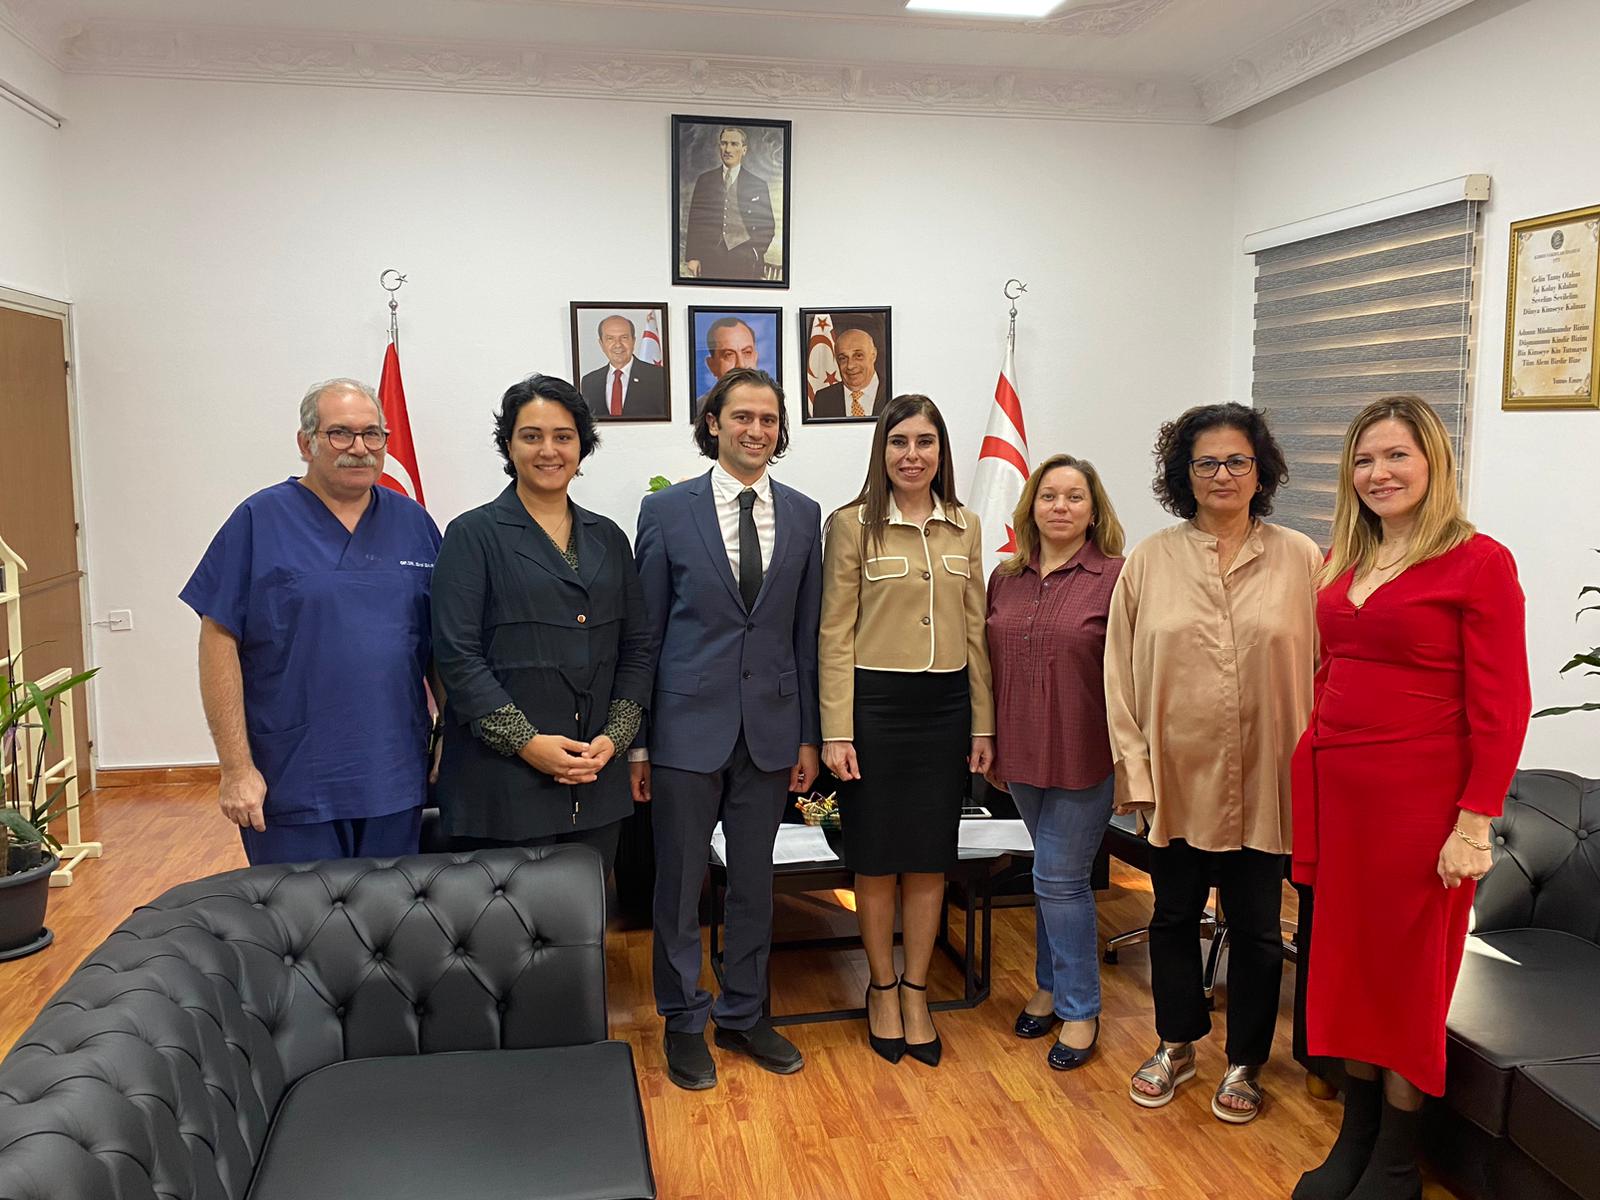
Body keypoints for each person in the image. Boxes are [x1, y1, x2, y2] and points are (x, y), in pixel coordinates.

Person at [1291, 396, 1530, 1200]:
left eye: (1397, 456)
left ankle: (1396, 1161)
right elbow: (1332, 672)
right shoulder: (1346, 557)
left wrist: (1474, 824)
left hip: (1422, 812)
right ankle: (1356, 1137)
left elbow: (1504, 706)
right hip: (1343, 802)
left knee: (1405, 983)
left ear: (1434, 462)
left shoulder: (1478, 562)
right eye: (1364, 460)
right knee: (1347, 973)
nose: (1378, 473)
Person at [1105, 402, 1319, 1123]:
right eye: (1206, 462)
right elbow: (1118, 676)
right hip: (1177, 779)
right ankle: (1176, 1044)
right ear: (1184, 474)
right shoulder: (1149, 561)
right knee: (1172, 917)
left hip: (1269, 778)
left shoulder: (1301, 559)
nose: (1222, 474)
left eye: (1237, 461)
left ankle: (1245, 1061)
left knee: (1258, 927)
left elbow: (1327, 671)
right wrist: (1135, 772)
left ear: (1261, 472)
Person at [633, 366, 822, 1091]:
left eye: (768, 419)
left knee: (754, 884)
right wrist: (639, 740)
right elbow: (646, 635)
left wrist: (807, 735)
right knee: (680, 885)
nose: (756, 430)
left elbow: (806, 636)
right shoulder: (667, 511)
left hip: (770, 731)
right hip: (685, 729)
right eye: (742, 416)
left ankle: (743, 1014)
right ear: (713, 423)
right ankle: (684, 1021)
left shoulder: (803, 514)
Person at [181, 377, 441, 865]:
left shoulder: (414, 524)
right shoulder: (259, 520)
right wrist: (235, 769)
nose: (359, 448)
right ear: (306, 443)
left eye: (372, 434)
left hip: (393, 770)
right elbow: (218, 641)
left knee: (390, 907)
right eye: (340, 433)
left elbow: (440, 643)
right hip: (294, 776)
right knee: (301, 911)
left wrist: (446, 732)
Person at [820, 394, 994, 1068]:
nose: (912, 455)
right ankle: (882, 988)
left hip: (945, 709)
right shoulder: (852, 525)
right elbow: (834, 634)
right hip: (874, 708)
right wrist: (837, 730)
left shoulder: (965, 525)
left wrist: (984, 724)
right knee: (875, 857)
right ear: (883, 450)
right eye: (899, 442)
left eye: (925, 442)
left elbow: (976, 632)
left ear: (941, 452)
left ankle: (917, 990)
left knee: (929, 855)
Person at [429, 375, 653, 872]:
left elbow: (637, 648)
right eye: (531, 436)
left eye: (563, 436)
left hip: (596, 780)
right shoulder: (472, 535)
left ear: (582, 445)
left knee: (589, 916)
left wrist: (615, 738)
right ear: (509, 445)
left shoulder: (609, 537)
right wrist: (527, 743)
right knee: (504, 923)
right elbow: (457, 656)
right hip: (501, 787)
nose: (548, 450)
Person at [985, 454, 1125, 1071]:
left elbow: (1133, 670)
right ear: (1031, 507)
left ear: (1093, 511)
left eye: (1074, 497)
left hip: (1085, 750)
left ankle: (1079, 1008)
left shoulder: (1116, 577)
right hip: (1020, 748)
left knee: (1061, 878)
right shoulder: (1005, 577)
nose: (1060, 507)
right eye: (1049, 496)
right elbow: (988, 661)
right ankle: (1047, 987)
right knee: (1048, 872)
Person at [683, 126, 776, 281]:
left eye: (734, 144)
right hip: (710, 257)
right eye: (724, 143)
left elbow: (768, 225)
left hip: (746, 259)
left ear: (744, 150)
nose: (728, 149)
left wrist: (755, 252)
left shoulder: (758, 184)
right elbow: (695, 221)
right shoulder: (705, 180)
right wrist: (693, 256)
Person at [578, 315, 667, 418]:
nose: (618, 345)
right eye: (610, 339)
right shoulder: (589, 382)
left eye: (624, 338)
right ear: (601, 344)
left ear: (633, 341)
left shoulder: (659, 377)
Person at [811, 328, 883, 418]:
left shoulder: (893, 392)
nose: (850, 366)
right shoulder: (823, 399)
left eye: (858, 356)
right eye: (843, 358)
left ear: (873, 355)